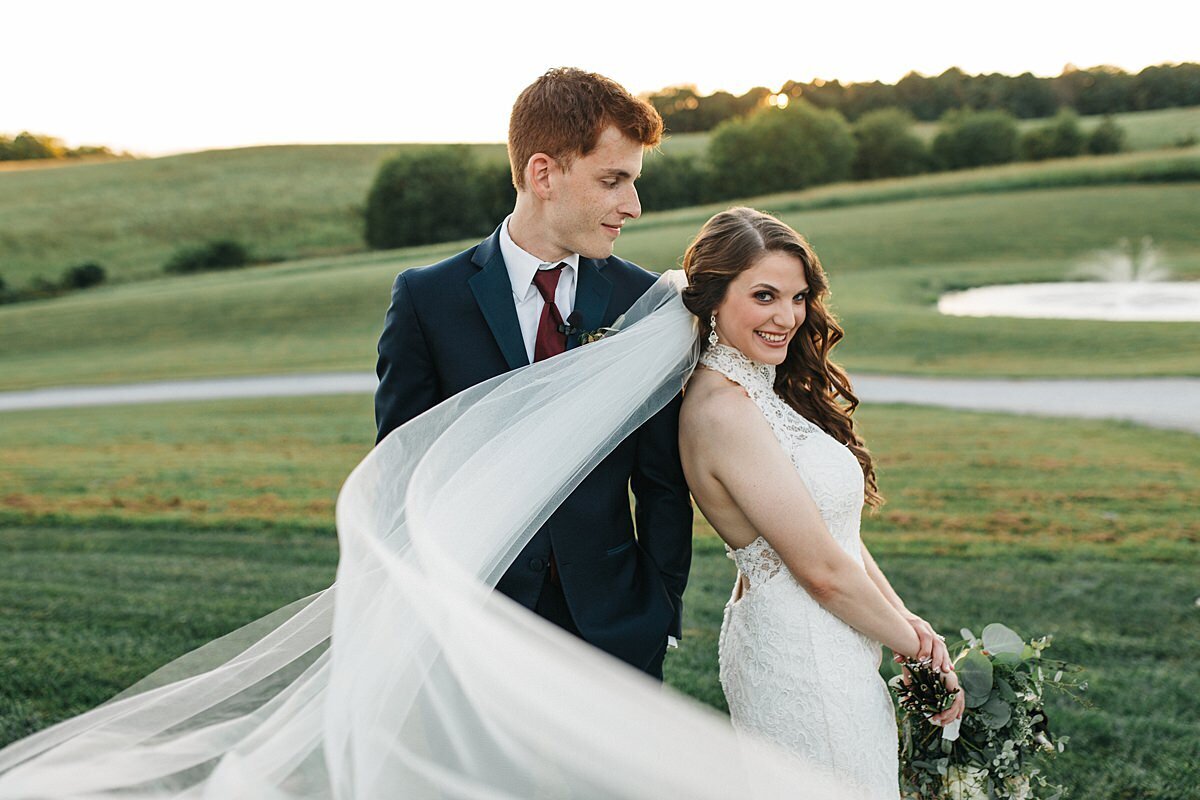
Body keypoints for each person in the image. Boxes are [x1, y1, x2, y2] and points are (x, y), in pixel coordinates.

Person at [373, 67, 693, 678]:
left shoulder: (644, 304)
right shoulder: (428, 299)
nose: (634, 205)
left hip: (612, 631)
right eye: (614, 180)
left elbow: (662, 483)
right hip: (469, 625)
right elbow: (402, 471)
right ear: (544, 174)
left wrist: (658, 610)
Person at [677, 207, 965, 798]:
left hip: (831, 640)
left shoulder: (758, 388)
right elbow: (821, 572)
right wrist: (920, 652)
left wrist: (909, 624)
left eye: (799, 297)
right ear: (712, 298)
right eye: (764, 296)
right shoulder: (721, 409)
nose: (786, 317)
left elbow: (839, 539)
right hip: (799, 654)